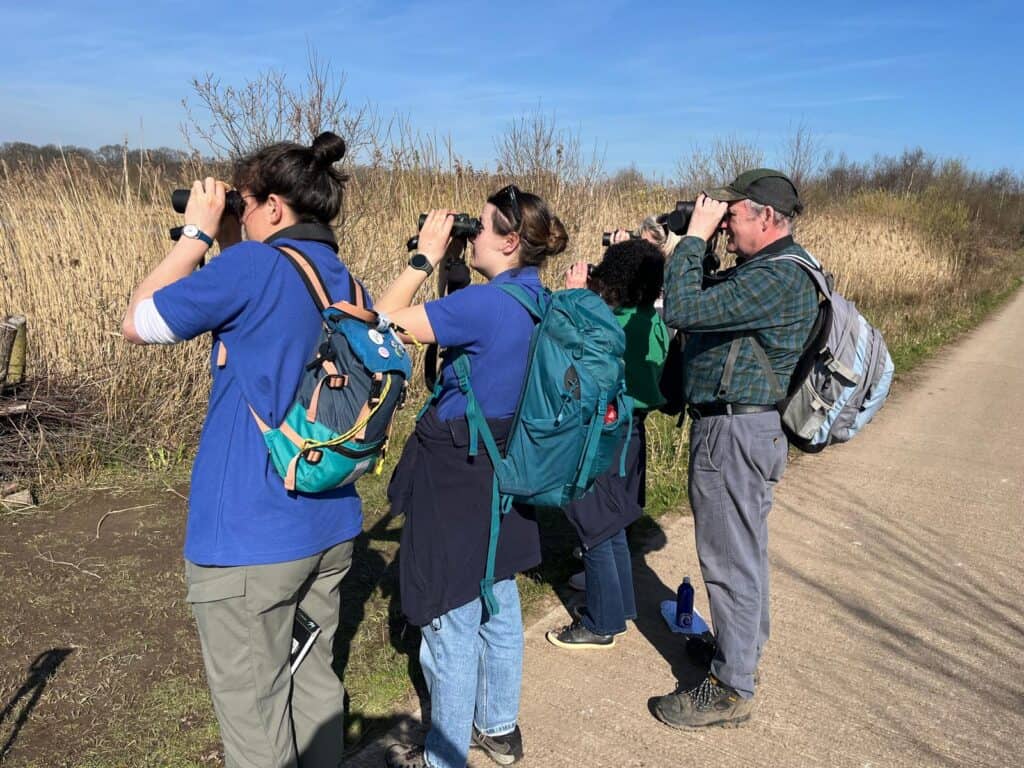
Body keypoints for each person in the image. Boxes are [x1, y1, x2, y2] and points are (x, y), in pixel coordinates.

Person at [122, 132, 362, 766]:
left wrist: (196, 236)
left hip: (252, 537)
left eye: (245, 203)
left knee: (257, 718)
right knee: (313, 688)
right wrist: (234, 239)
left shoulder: (253, 268)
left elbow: (138, 321)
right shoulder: (344, 279)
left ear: (273, 207)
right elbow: (261, 322)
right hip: (328, 522)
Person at [378, 186, 568, 768]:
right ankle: (499, 729)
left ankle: (444, 757)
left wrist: (424, 258)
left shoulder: (485, 307)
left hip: (460, 472)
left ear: (510, 242)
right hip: (509, 464)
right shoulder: (539, 298)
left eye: (479, 227)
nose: (471, 234)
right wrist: (456, 269)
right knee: (497, 592)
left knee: (450, 614)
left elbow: (375, 325)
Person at [651, 169, 818, 728]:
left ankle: (730, 688)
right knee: (743, 555)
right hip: (741, 431)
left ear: (767, 217)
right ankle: (737, 652)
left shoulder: (780, 277)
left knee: (729, 561)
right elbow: (706, 299)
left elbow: (683, 310)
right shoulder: (765, 271)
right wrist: (683, 250)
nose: (725, 223)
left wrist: (693, 239)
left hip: (735, 434)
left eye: (733, 214)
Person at [546, 238, 669, 649]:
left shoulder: (611, 325)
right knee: (612, 520)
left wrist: (575, 297)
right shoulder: (651, 320)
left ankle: (602, 622)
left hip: (606, 432)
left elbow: (570, 351)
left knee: (594, 522)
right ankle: (620, 602)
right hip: (633, 432)